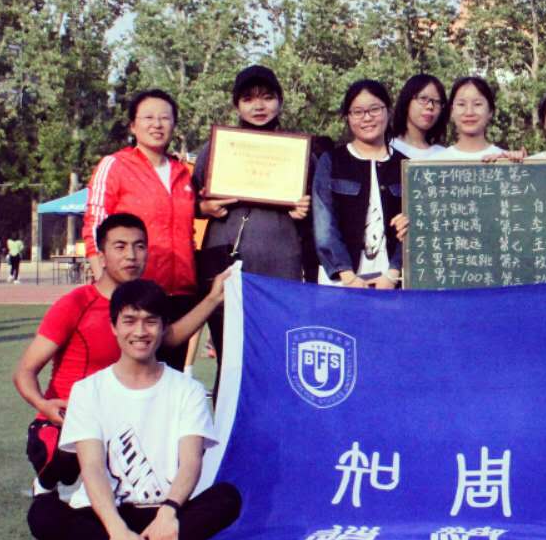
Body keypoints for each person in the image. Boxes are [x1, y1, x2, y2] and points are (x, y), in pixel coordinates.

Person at [27, 279, 243, 540]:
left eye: (150, 321)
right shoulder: (87, 391)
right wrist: (117, 531)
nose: (140, 332)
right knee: (42, 515)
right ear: (113, 327)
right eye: (129, 321)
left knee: (227, 498)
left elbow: (191, 462)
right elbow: (92, 467)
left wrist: (168, 512)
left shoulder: (188, 390)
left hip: (166, 512)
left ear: (163, 327)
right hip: (106, 514)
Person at [14, 212, 227, 499]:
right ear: (101, 256)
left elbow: (170, 338)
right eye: (120, 246)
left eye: (139, 246)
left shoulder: (146, 300)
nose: (131, 256)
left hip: (125, 422)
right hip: (68, 420)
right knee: (63, 464)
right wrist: (44, 405)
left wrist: (213, 299)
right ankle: (48, 482)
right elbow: (24, 371)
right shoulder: (76, 303)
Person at [193, 65, 313, 359]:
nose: (259, 106)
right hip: (224, 263)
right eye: (248, 99)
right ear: (237, 105)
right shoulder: (215, 149)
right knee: (230, 358)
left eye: (267, 97)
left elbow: (320, 217)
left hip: (280, 267)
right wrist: (203, 208)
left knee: (276, 356)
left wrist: (304, 212)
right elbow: (188, 202)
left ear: (280, 101)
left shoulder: (300, 153)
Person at [82, 88, 199, 367]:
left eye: (165, 118)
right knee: (129, 378)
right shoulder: (115, 165)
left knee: (168, 380)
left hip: (180, 297)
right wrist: (107, 290)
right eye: (148, 117)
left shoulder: (184, 172)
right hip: (133, 294)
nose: (157, 124)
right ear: (133, 126)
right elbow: (94, 226)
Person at [313, 80, 408, 288]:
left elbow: (415, 227)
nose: (367, 117)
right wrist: (348, 277)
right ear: (348, 117)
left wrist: (393, 274)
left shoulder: (406, 165)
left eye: (374, 109)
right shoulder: (331, 161)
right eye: (357, 112)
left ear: (388, 111)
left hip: (392, 282)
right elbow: (324, 225)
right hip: (341, 281)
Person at [431, 76, 526, 163]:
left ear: (490, 111)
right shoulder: (435, 162)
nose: (469, 112)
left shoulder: (504, 160)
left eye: (477, 104)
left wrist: (521, 164)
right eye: (461, 104)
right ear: (452, 111)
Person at [390, 73, 451, 160]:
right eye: (423, 98)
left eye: (437, 102)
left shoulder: (443, 155)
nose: (430, 106)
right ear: (407, 101)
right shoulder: (387, 150)